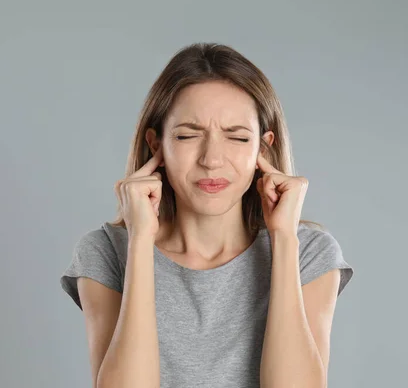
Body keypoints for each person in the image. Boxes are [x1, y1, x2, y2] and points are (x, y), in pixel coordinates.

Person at [59, 42, 354, 388]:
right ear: (157, 146)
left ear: (264, 147)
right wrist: (139, 241)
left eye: (237, 138)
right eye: (187, 135)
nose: (212, 159)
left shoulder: (310, 253)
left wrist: (284, 239)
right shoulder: (105, 251)